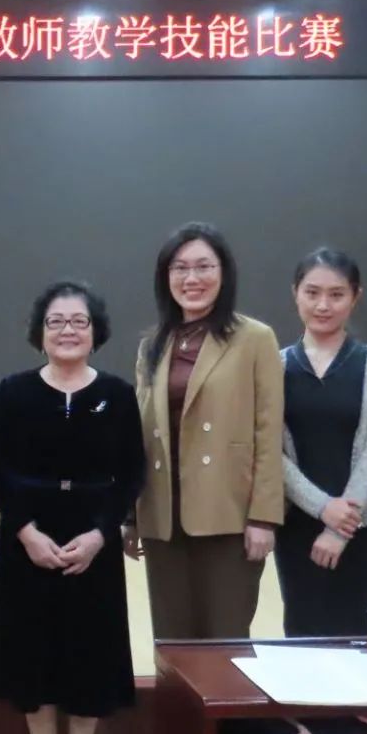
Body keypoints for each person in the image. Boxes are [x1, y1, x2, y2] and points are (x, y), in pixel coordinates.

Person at [0, 281, 144, 734]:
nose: (67, 330)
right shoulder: (14, 391)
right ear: (40, 331)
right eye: (56, 321)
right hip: (27, 536)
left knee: (89, 653)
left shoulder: (117, 394)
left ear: (96, 331)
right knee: (32, 653)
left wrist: (100, 534)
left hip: (92, 537)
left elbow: (131, 473)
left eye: (78, 321)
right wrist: (26, 532)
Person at [125, 222, 284, 640]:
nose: (191, 278)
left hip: (229, 515)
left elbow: (268, 432)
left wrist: (264, 517)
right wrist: (131, 516)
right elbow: (140, 434)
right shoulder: (153, 344)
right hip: (163, 517)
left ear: (223, 272)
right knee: (172, 641)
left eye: (203, 266)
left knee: (225, 639)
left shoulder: (254, 338)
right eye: (179, 268)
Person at [276, 249, 367, 638]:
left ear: (355, 297)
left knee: (358, 641)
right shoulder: (275, 365)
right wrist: (321, 508)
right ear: (295, 293)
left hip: (363, 529)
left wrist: (340, 526)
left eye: (336, 294)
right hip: (297, 527)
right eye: (312, 293)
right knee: (303, 637)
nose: (323, 305)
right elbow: (269, 451)